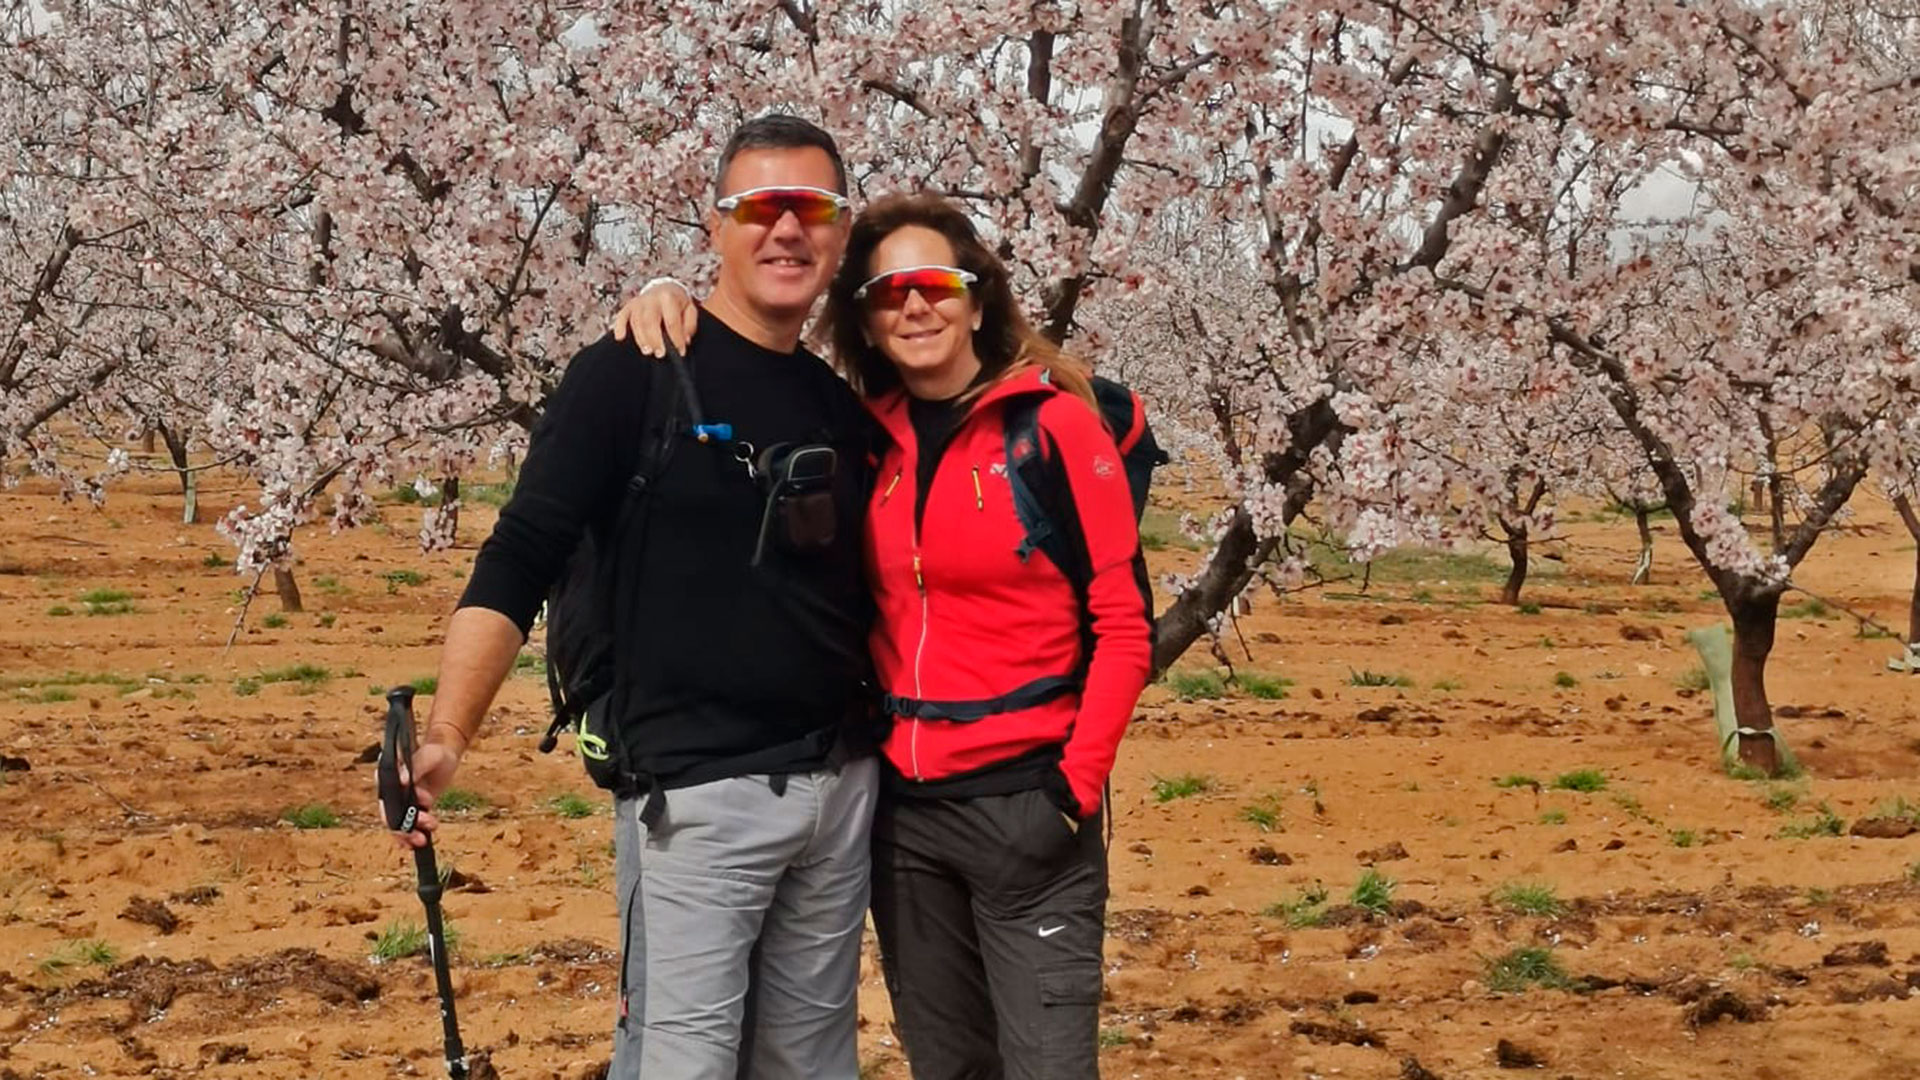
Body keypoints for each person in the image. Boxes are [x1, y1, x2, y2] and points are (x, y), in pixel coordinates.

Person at [615, 193, 1152, 1079]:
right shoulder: (864, 432)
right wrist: (669, 289)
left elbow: (1125, 625)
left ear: (978, 300)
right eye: (888, 290)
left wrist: (1071, 787)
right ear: (864, 316)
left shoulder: (1053, 427)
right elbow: (746, 377)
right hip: (906, 820)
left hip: (1030, 805)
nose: (915, 305)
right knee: (948, 1066)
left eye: (937, 284)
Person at [393, 115, 880, 1080]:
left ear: (841, 229)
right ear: (713, 225)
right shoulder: (634, 371)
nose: (787, 230)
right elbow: (520, 555)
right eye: (760, 208)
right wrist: (449, 733)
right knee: (679, 1061)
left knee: (812, 1065)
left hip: (841, 794)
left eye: (812, 209)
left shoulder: (842, 402)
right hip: (696, 803)